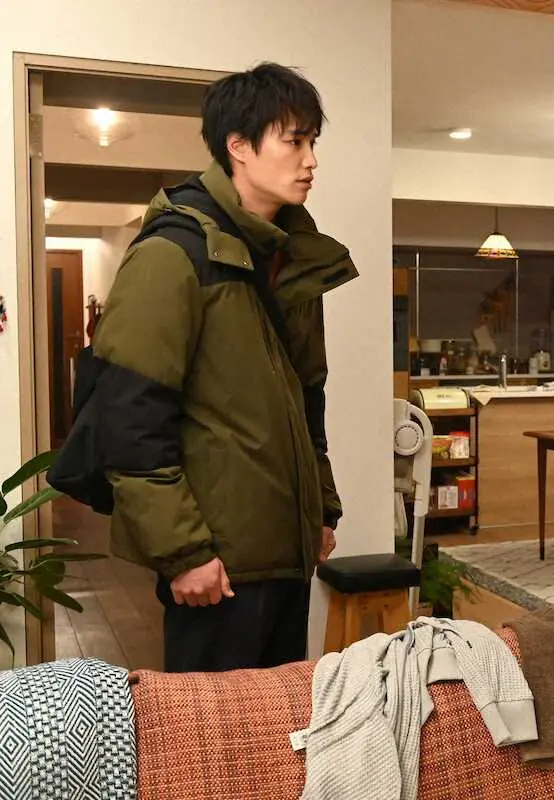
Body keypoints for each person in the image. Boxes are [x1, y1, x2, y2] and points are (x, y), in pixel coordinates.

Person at [92, 63, 357, 672]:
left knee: (282, 722)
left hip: (286, 552)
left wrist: (321, 510)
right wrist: (182, 551)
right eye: (295, 141)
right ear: (238, 145)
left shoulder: (292, 257)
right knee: (210, 731)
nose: (311, 160)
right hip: (215, 562)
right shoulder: (172, 253)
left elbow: (305, 400)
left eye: (313, 141)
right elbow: (129, 420)